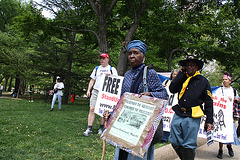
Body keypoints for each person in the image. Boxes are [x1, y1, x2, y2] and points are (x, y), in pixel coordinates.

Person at [113, 40, 168, 160]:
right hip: (125, 123)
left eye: (136, 53)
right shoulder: (127, 75)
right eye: (130, 53)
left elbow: (164, 94)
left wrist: (150, 94)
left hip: (142, 125)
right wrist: (113, 114)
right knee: (122, 154)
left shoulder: (150, 73)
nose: (132, 56)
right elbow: (122, 98)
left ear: (143, 55)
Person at [169, 55, 213, 160]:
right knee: (174, 139)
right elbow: (172, 88)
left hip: (193, 114)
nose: (189, 67)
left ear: (196, 67)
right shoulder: (182, 78)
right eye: (187, 65)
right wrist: (180, 73)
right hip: (179, 112)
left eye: (191, 65)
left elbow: (208, 101)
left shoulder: (203, 81)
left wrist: (209, 120)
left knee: (188, 144)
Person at [82, 53, 118, 136]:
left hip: (105, 92)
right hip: (96, 90)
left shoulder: (112, 69)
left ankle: (101, 128)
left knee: (103, 111)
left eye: (104, 58)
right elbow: (92, 80)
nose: (102, 60)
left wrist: (111, 75)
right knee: (92, 109)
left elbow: (117, 81)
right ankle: (89, 128)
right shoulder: (97, 68)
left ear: (108, 59)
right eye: (101, 58)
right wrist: (88, 90)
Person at [215, 72, 240, 159]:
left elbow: (237, 100)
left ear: (230, 81)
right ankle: (220, 150)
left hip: (230, 115)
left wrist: (235, 99)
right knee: (221, 131)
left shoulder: (233, 90)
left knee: (230, 132)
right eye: (223, 79)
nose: (224, 81)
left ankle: (229, 146)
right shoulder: (219, 90)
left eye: (226, 79)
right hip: (222, 115)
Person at [162, 69, 179, 143]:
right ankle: (163, 137)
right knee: (164, 119)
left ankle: (169, 137)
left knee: (171, 120)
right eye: (174, 74)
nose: (175, 76)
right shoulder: (166, 82)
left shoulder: (180, 83)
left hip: (174, 104)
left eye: (177, 74)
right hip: (166, 104)